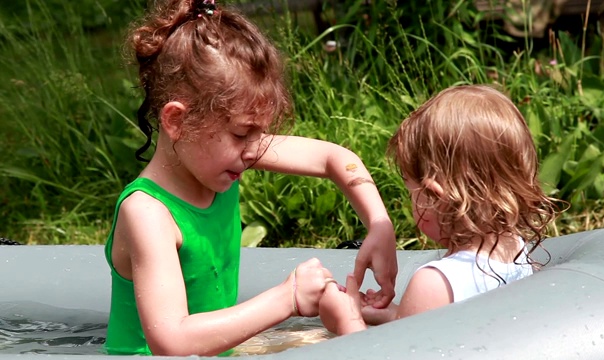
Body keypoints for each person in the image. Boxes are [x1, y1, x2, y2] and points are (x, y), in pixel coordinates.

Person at [103, 0, 397, 356]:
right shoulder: (148, 214)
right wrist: (285, 298)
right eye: (242, 133)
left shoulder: (219, 158)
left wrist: (379, 222)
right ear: (177, 121)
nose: (254, 149)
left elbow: (336, 158)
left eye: (259, 134)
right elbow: (172, 342)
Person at [319, 84, 562, 335]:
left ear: (434, 196)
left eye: (410, 192)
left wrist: (347, 322)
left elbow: (397, 356)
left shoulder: (435, 283)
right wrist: (396, 315)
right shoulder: (515, 249)